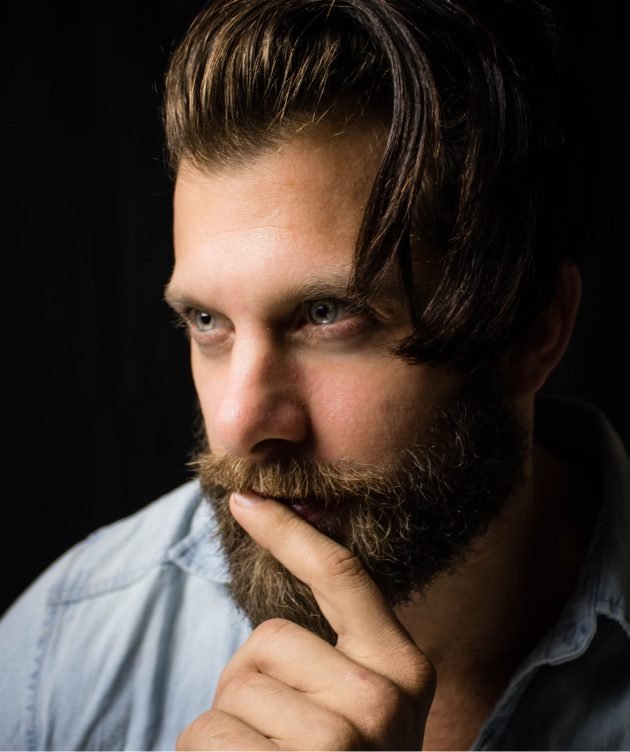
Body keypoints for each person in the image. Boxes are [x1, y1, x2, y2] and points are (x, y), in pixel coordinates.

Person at [1, 0, 628, 749]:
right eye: (207, 321)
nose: (237, 424)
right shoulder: (55, 657)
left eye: (327, 314)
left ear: (532, 329)